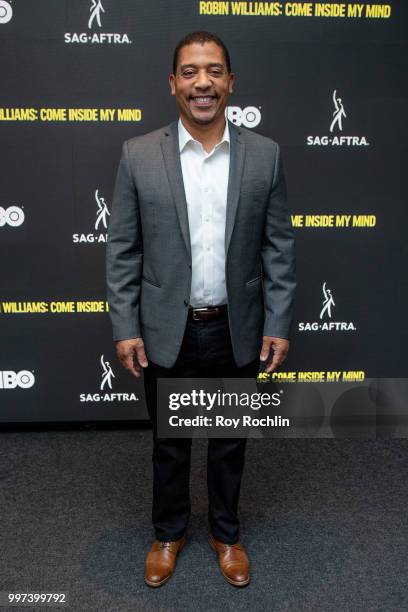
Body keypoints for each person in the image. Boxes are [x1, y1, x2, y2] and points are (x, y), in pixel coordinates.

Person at [106, 30, 296, 588]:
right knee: (170, 443)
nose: (202, 83)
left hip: (236, 327)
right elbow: (123, 248)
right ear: (173, 85)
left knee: (229, 442)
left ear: (230, 83)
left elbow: (278, 246)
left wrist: (279, 322)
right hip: (169, 327)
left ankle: (225, 534)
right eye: (190, 72)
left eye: (214, 71)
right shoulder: (138, 154)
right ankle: (168, 533)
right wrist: (126, 325)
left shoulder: (265, 155)